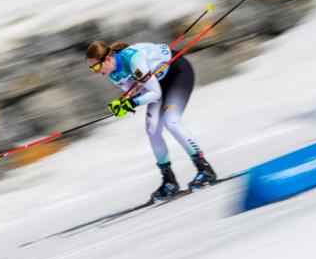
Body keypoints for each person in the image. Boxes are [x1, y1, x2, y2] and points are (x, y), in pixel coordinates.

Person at [86, 40, 217, 200]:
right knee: (152, 129)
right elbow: (137, 92)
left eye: (96, 67)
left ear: (107, 59)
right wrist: (122, 104)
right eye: (92, 69)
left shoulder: (133, 59)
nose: (96, 72)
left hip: (177, 72)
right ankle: (169, 181)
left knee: (171, 121)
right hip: (157, 83)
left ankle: (205, 170)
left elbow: (155, 94)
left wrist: (131, 103)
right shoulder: (113, 74)